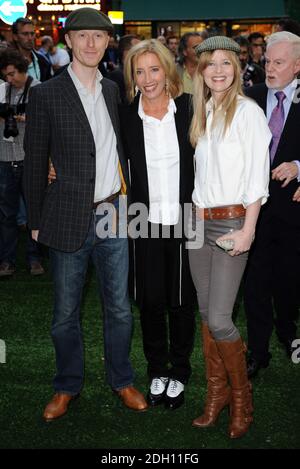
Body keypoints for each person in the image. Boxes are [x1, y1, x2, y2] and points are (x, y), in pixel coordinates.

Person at [23, 8, 147, 422]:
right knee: (64, 313)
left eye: (99, 36)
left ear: (108, 42)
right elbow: (36, 158)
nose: (92, 43)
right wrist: (36, 221)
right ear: (69, 42)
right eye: (83, 36)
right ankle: (66, 385)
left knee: (120, 308)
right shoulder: (45, 94)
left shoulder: (115, 90)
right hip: (65, 215)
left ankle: (122, 379)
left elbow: (122, 149)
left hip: (114, 211)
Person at [188, 36, 271, 438]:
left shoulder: (249, 112)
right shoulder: (203, 110)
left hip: (232, 224)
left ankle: (242, 400)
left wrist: (249, 230)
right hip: (196, 224)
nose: (217, 70)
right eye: (210, 64)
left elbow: (257, 177)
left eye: (225, 63)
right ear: (201, 70)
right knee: (207, 317)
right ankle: (215, 395)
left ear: (237, 68)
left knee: (220, 318)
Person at [120, 39, 196, 410]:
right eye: (139, 71)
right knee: (150, 302)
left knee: (182, 301)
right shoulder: (125, 117)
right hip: (143, 221)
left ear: (167, 70)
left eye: (154, 69)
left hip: (187, 218)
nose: (147, 78)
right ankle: (157, 371)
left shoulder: (190, 109)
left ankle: (180, 372)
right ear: (132, 77)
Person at [244, 31, 300, 378]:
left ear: (297, 66)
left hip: (294, 210)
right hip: (254, 210)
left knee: (290, 280)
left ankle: (289, 334)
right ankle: (258, 350)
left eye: (278, 63)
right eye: (267, 61)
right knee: (254, 283)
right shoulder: (249, 98)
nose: (270, 68)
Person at [0, 48, 44, 277]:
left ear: (22, 69)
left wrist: (25, 117)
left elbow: (46, 124)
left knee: (34, 212)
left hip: (30, 158)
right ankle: (6, 261)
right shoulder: (1, 90)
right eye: (5, 75)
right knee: (7, 214)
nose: (9, 79)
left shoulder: (38, 89)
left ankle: (34, 258)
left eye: (11, 74)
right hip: (5, 158)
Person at [11, 17, 52, 82]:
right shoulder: (7, 61)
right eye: (25, 34)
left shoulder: (43, 61)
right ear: (15, 37)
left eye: (32, 34)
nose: (30, 38)